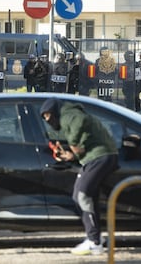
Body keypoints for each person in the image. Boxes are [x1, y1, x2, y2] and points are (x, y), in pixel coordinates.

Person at [39, 98, 119, 255]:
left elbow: (81, 122)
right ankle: (96, 238)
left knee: (81, 195)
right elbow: (84, 142)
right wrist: (71, 154)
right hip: (97, 157)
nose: (48, 120)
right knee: (90, 196)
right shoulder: (68, 115)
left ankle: (94, 242)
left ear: (55, 111)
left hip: (99, 157)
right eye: (44, 118)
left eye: (48, 116)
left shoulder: (69, 114)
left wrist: (74, 143)